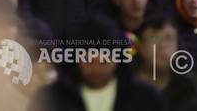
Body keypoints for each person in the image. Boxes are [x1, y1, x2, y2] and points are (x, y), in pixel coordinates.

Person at [29, 16, 163, 111]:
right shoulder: (49, 99)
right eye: (89, 61)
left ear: (117, 60)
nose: (96, 69)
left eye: (104, 62)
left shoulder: (144, 99)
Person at [136, 16, 197, 111]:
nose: (162, 46)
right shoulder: (122, 86)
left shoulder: (191, 89)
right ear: (140, 46)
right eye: (153, 38)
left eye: (168, 38)